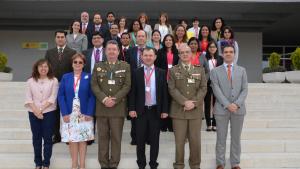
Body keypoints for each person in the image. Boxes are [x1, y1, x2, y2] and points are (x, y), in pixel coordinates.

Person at [91, 40, 131, 169]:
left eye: (114, 49)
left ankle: (114, 164)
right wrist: (104, 99)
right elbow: (94, 85)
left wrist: (114, 99)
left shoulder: (125, 66)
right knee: (102, 138)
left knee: (116, 138)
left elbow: (127, 85)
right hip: (102, 108)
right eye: (109, 49)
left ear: (118, 51)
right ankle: (103, 164)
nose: (112, 52)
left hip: (117, 108)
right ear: (105, 51)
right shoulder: (98, 66)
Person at [129, 47, 168, 169]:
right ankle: (141, 164)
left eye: (150, 55)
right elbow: (132, 92)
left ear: (155, 57)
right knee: (140, 140)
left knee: (155, 140)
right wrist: (131, 108)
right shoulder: (136, 72)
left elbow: (164, 93)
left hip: (155, 111)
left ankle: (153, 164)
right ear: (142, 57)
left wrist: (165, 110)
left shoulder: (161, 72)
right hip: (141, 111)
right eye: (145, 55)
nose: (148, 58)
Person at [168, 44, 207, 169]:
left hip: (195, 111)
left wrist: (193, 103)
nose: (185, 54)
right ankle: (179, 165)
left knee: (195, 141)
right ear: (179, 55)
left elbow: (203, 88)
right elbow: (172, 89)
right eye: (182, 52)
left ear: (191, 54)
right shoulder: (173, 70)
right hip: (179, 111)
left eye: (187, 52)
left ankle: (195, 165)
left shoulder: (200, 69)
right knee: (179, 142)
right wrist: (185, 102)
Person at [210, 45, 248, 169]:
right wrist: (227, 105)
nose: (228, 54)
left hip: (238, 109)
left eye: (231, 52)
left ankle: (235, 163)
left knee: (236, 138)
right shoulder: (215, 71)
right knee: (221, 137)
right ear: (222, 54)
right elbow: (216, 89)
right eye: (226, 52)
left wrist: (236, 104)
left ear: (234, 54)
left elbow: (245, 89)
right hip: (221, 110)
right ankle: (220, 163)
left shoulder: (242, 70)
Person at [58, 53, 95, 169]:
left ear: (84, 64)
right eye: (75, 62)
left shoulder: (89, 76)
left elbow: (92, 96)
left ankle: (82, 165)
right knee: (72, 139)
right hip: (69, 112)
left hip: (84, 112)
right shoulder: (66, 77)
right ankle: (74, 164)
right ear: (72, 64)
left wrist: (89, 112)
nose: (78, 64)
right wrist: (64, 113)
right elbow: (61, 96)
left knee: (83, 139)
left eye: (80, 62)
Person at [25, 59, 59, 169]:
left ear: (49, 68)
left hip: (49, 112)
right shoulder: (30, 81)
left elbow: (52, 98)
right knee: (36, 138)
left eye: (45, 66)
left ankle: (46, 163)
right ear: (37, 68)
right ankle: (38, 163)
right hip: (33, 113)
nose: (43, 68)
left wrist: (40, 110)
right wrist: (36, 111)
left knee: (48, 138)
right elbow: (28, 99)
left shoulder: (54, 80)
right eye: (41, 66)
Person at [45, 30, 76, 144]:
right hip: (52, 86)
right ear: (55, 39)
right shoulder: (49, 52)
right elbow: (46, 69)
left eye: (62, 37)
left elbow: (74, 69)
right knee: (54, 112)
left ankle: (68, 135)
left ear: (65, 38)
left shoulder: (72, 52)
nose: (60, 39)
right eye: (58, 37)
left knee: (67, 111)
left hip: (67, 86)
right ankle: (56, 136)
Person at [126, 30, 149, 145]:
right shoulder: (130, 51)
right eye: (138, 36)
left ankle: (147, 137)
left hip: (149, 84)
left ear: (146, 38)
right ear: (136, 38)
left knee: (148, 112)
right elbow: (127, 68)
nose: (140, 38)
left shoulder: (151, 51)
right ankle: (134, 137)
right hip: (134, 85)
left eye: (142, 36)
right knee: (134, 111)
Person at [155, 34, 179, 132]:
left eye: (170, 40)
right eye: (166, 40)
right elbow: (157, 66)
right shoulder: (160, 52)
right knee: (163, 101)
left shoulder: (177, 53)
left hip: (174, 81)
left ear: (173, 41)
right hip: (163, 80)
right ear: (164, 42)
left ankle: (171, 124)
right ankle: (163, 124)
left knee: (172, 102)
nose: (168, 41)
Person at [204, 41, 223, 132]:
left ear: (216, 48)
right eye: (210, 47)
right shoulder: (205, 58)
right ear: (208, 48)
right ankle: (208, 124)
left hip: (217, 84)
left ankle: (215, 124)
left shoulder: (220, 59)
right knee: (207, 104)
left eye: (214, 47)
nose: (212, 48)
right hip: (207, 83)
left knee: (216, 104)